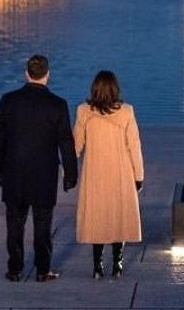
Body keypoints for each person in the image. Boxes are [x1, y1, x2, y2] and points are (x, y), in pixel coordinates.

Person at [0, 54, 78, 282]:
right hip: (44, 173)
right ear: (47, 75)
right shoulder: (57, 104)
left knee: (14, 223)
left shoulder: (8, 100)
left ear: (26, 74)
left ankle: (15, 269)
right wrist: (71, 175)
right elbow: (65, 142)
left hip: (14, 171)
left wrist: (0, 169)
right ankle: (42, 269)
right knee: (43, 223)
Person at [74, 70, 144, 279]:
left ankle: (97, 266)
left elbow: (76, 144)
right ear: (115, 88)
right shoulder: (127, 112)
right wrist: (138, 176)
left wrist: (66, 169)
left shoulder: (83, 111)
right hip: (120, 172)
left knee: (98, 217)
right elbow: (134, 147)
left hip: (95, 173)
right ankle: (118, 264)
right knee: (117, 216)